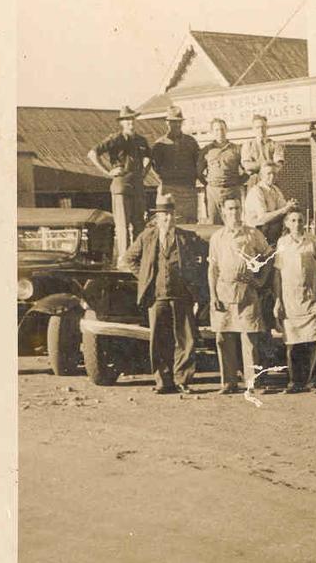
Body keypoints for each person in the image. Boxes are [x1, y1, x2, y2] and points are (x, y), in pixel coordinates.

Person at [121, 193, 204, 395]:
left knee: (186, 340)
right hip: (157, 297)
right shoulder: (147, 237)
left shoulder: (187, 237)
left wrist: (195, 283)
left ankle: (183, 380)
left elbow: (205, 257)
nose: (167, 219)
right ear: (156, 218)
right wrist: (146, 276)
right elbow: (129, 258)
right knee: (159, 340)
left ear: (175, 216)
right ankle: (164, 382)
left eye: (170, 215)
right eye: (163, 215)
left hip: (182, 295)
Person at [207, 197, 271, 394]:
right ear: (224, 211)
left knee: (250, 339)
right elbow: (213, 267)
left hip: (247, 291)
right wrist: (213, 296)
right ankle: (228, 382)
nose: (234, 212)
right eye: (230, 208)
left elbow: (268, 257)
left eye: (237, 208)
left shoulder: (252, 234)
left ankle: (252, 383)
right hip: (223, 289)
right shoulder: (217, 237)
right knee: (223, 338)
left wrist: (260, 281)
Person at [87, 105, 152, 256]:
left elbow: (149, 157)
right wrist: (108, 172)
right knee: (122, 226)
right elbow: (92, 153)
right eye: (127, 120)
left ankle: (137, 257)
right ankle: (124, 259)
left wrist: (144, 172)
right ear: (121, 123)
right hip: (121, 186)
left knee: (139, 224)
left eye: (132, 119)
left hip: (137, 186)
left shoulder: (141, 140)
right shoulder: (115, 139)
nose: (131, 123)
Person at [273, 207, 316, 393]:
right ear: (286, 223)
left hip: (309, 296)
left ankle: (314, 381)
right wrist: (278, 299)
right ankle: (295, 382)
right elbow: (278, 273)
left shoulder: (313, 241)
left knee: (314, 339)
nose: (297, 224)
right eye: (292, 220)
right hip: (289, 297)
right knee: (293, 342)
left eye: (300, 220)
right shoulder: (282, 243)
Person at [149, 105, 200, 223]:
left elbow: (198, 161)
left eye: (179, 122)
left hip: (188, 189)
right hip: (169, 189)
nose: (176, 125)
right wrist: (164, 182)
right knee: (170, 222)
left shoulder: (190, 141)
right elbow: (154, 167)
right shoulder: (160, 144)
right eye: (173, 122)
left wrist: (195, 179)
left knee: (191, 223)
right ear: (167, 123)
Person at [198, 118, 244, 224]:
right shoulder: (206, 150)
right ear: (212, 132)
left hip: (232, 190)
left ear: (226, 130)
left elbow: (246, 170)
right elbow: (199, 173)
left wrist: (237, 182)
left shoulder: (236, 149)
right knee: (214, 223)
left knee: (234, 222)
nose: (220, 132)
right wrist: (210, 184)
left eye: (222, 129)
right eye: (217, 130)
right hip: (213, 192)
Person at [244, 161, 297, 245]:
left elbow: (283, 208)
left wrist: (291, 206)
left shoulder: (275, 189)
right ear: (261, 176)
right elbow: (263, 218)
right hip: (256, 233)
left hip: (272, 231)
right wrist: (284, 209)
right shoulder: (257, 191)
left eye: (274, 174)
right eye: (269, 174)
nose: (272, 177)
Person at [240, 114, 285, 190]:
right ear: (253, 129)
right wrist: (268, 165)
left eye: (263, 127)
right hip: (254, 181)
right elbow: (247, 166)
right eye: (257, 127)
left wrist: (256, 166)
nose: (260, 130)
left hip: (271, 180)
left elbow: (278, 165)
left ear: (267, 128)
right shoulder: (248, 145)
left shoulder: (275, 145)